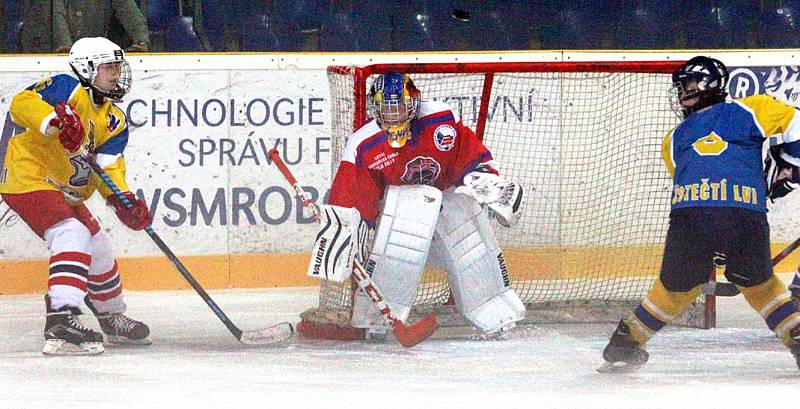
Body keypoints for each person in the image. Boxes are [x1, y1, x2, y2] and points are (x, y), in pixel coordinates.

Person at [600, 56, 800, 372]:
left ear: (710, 85)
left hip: (689, 218)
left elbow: (689, 178)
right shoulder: (750, 108)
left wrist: (711, 236)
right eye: (681, 87)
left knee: (675, 287)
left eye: (689, 85)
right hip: (744, 213)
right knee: (761, 286)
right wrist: (791, 163)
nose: (683, 93)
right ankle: (796, 335)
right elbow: (796, 123)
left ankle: (625, 343)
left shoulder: (674, 139)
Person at [305, 72, 526, 340]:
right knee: (408, 214)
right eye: (386, 107)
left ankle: (494, 309)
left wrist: (487, 183)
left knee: (461, 210)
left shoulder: (440, 120)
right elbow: (351, 197)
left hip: (446, 211)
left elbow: (470, 158)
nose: (393, 114)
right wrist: (343, 233)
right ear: (375, 108)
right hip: (403, 220)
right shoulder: (363, 144)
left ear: (413, 103)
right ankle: (378, 319)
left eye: (399, 106)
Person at [0, 37, 152, 355]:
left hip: (64, 189)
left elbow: (109, 170)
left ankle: (111, 317)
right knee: (72, 232)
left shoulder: (114, 121)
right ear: (87, 69)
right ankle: (61, 318)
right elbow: (20, 103)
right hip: (27, 175)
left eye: (117, 66)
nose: (116, 73)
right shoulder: (67, 87)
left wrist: (124, 201)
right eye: (108, 66)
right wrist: (55, 121)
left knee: (97, 243)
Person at [17, 0, 150, 53]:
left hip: (87, 55)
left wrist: (141, 41)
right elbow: (57, 14)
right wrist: (65, 48)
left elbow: (130, 12)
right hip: (43, 52)